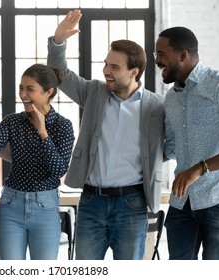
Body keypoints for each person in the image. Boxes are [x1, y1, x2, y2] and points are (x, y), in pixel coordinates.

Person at [47, 9, 165, 260]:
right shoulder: (94, 93)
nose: (106, 71)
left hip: (132, 204)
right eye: (105, 64)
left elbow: (167, 147)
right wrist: (59, 41)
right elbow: (60, 75)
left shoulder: (156, 107)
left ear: (134, 72)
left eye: (114, 67)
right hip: (92, 201)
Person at [155, 26, 219, 260]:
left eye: (161, 55)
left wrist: (199, 168)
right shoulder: (171, 97)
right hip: (182, 200)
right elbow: (171, 147)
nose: (157, 61)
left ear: (183, 55)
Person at [0, 64, 75, 260]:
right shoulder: (13, 121)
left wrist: (43, 133)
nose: (23, 94)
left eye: (29, 89)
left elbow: (58, 169)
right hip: (11, 204)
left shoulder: (63, 125)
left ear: (49, 92)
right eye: (21, 88)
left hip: (46, 207)